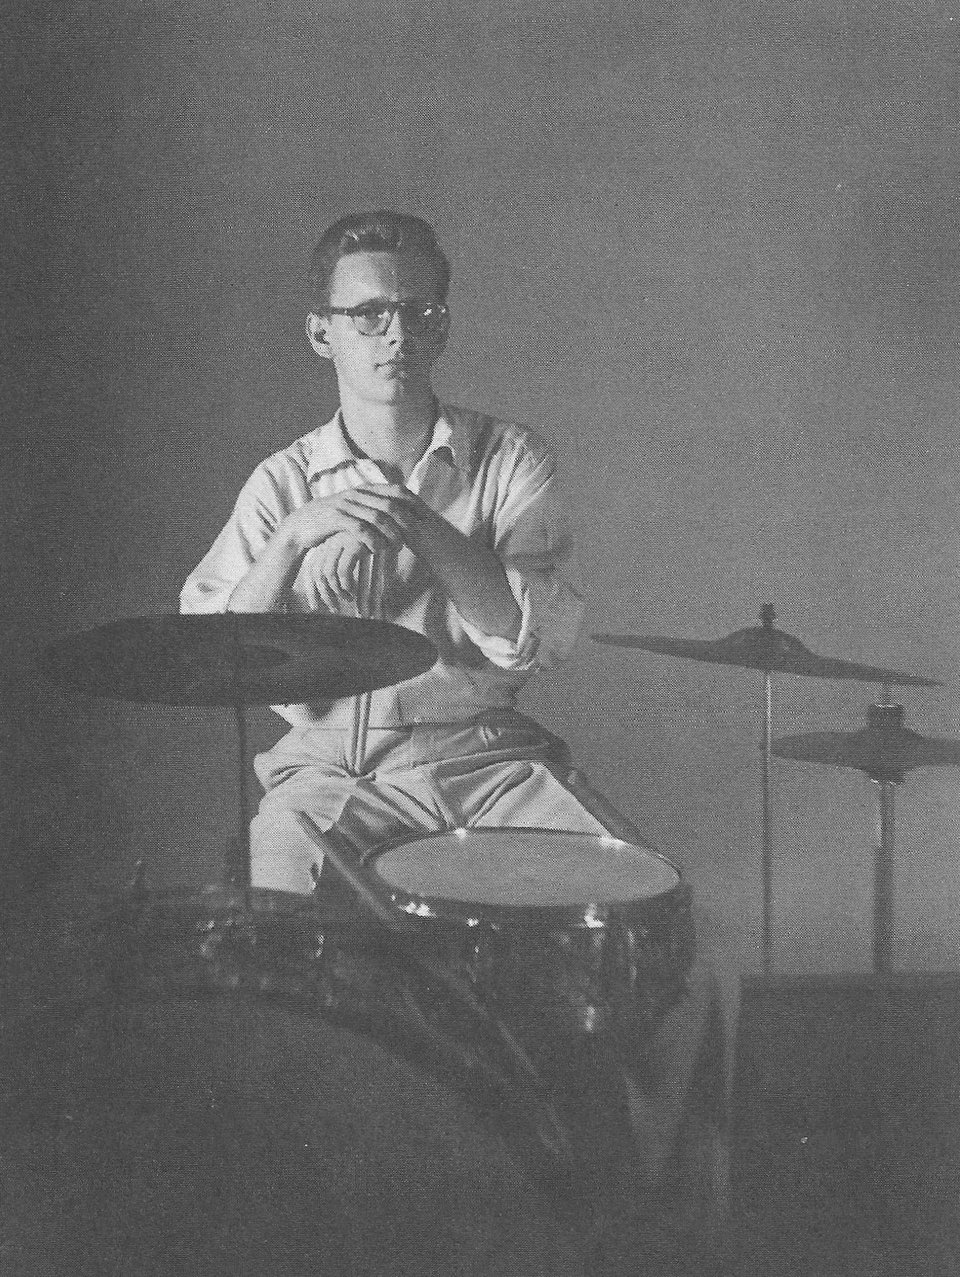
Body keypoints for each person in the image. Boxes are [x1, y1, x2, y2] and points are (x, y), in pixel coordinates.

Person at [180, 210, 627, 893]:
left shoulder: (511, 457)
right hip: (330, 774)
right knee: (278, 914)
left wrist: (418, 522)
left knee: (631, 895)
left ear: (441, 328)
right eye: (369, 314)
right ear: (321, 333)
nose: (398, 334)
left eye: (420, 312)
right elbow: (220, 662)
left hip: (485, 762)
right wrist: (292, 540)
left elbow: (523, 635)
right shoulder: (283, 481)